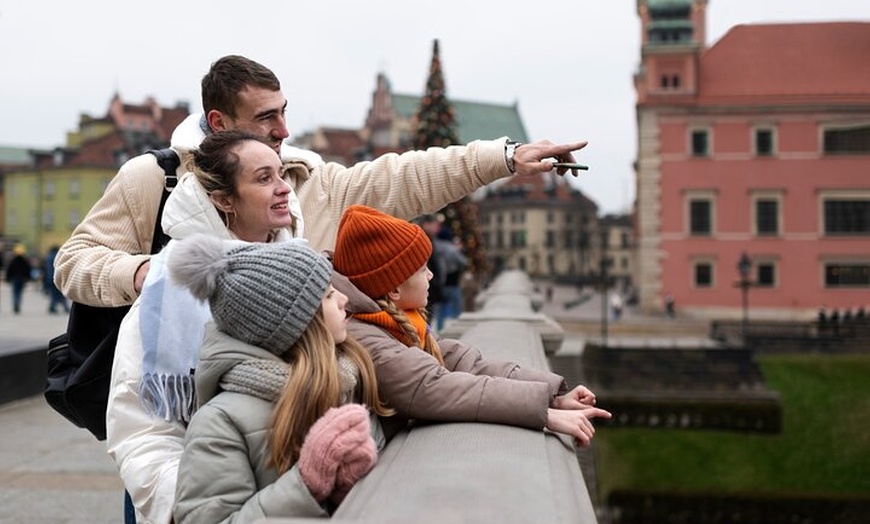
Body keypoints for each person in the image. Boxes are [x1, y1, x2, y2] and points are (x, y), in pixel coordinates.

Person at [54, 54, 588, 309]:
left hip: (285, 418)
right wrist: (147, 272)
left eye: (285, 112)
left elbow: (404, 178)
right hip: (173, 414)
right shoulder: (155, 179)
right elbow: (74, 262)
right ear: (219, 123)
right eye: (266, 118)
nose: (284, 130)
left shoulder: (307, 179)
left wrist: (505, 156)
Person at [106, 130, 302, 523]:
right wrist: (196, 506)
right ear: (224, 200)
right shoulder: (172, 288)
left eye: (281, 175)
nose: (284, 189)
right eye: (264, 179)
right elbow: (141, 427)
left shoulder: (300, 268)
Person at [331, 205, 611, 445]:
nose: (431, 275)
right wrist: (545, 414)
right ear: (393, 289)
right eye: (421, 269)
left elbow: (464, 363)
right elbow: (434, 387)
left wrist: (553, 395)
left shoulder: (392, 322)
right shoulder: (364, 336)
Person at [166, 235, 391, 522]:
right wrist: (307, 483)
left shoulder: (344, 381)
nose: (344, 299)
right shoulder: (220, 421)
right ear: (295, 323)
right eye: (329, 295)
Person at [5, 244, 32, 314]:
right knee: (20, 293)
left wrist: (7, 278)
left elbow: (9, 270)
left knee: (15, 293)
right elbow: (28, 270)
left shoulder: (13, 261)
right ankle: (18, 304)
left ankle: (15, 303)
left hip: (14, 279)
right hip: (22, 279)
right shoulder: (25, 261)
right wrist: (28, 278)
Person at [43, 246, 70, 314]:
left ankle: (52, 307)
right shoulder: (60, 256)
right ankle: (65, 307)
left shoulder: (48, 258)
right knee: (61, 294)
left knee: (53, 294)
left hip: (50, 278)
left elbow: (47, 269)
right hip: (59, 278)